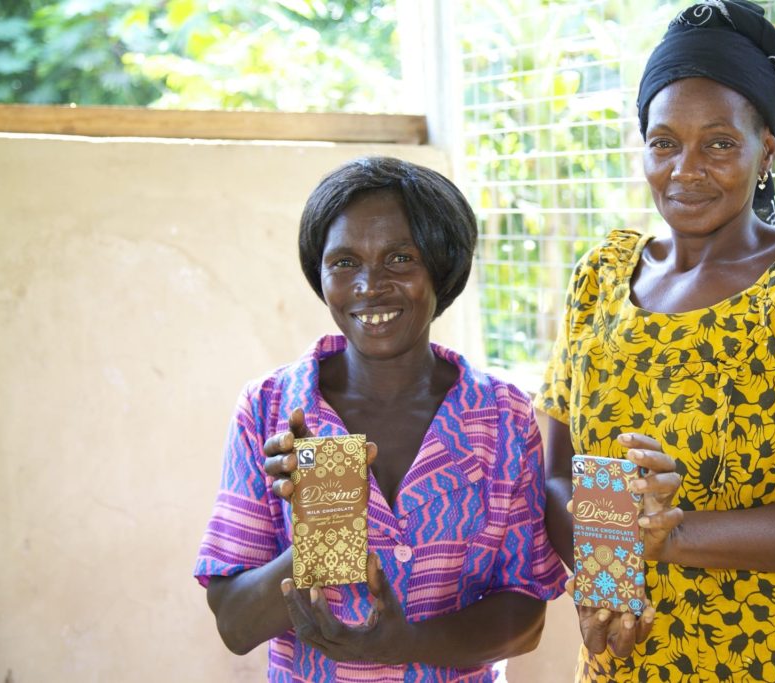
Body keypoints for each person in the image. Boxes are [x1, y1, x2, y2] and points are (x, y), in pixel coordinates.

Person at [537, 1, 775, 681]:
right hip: (623, 658)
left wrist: (675, 537)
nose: (686, 168)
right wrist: (610, 579)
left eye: (719, 142)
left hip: (770, 661)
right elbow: (558, 469)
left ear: (765, 149)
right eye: (664, 141)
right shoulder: (601, 277)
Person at [194, 156, 568, 682]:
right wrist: (324, 532)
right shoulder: (270, 410)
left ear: (441, 266)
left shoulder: (501, 416)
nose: (370, 285)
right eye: (345, 262)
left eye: (400, 258)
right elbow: (235, 625)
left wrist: (407, 644)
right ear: (319, 274)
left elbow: (525, 614)